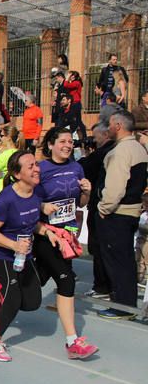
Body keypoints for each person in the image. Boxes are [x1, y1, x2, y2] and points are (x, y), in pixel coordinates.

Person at [0, 150, 60, 362]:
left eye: (36, 164)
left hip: (23, 257)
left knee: (32, 302)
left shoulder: (35, 194)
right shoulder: (6, 199)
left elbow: (31, 223)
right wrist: (14, 245)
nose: (36, 169)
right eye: (30, 166)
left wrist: (48, 232)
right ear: (17, 174)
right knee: (13, 300)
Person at [32, 127, 99, 356]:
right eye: (62, 141)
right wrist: (42, 206)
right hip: (46, 233)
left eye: (71, 142)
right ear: (50, 145)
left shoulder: (76, 167)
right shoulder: (41, 169)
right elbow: (28, 200)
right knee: (66, 280)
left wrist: (88, 193)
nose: (68, 145)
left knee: (37, 280)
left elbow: (79, 203)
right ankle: (73, 342)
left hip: (68, 230)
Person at [96, 111, 148, 319]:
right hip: (131, 211)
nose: (107, 129)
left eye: (109, 125)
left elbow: (115, 186)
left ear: (117, 126)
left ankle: (121, 305)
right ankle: (125, 302)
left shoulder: (121, 151)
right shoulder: (138, 148)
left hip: (118, 212)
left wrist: (104, 208)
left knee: (117, 260)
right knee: (126, 258)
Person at [79, 123, 115, 299]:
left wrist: (87, 155)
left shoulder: (104, 152)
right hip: (103, 205)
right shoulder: (109, 151)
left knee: (97, 246)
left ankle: (102, 287)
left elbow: (84, 167)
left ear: (105, 135)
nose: (93, 139)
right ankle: (107, 285)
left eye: (95, 136)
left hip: (99, 206)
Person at [0, 126, 21, 199]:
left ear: (8, 137)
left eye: (1, 136)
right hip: (12, 191)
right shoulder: (18, 152)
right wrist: (2, 173)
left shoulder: (6, 155)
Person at [135, 193, 148, 286]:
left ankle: (146, 278)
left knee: (146, 260)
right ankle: (139, 276)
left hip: (146, 241)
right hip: (140, 239)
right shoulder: (143, 214)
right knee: (138, 259)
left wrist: (137, 225)